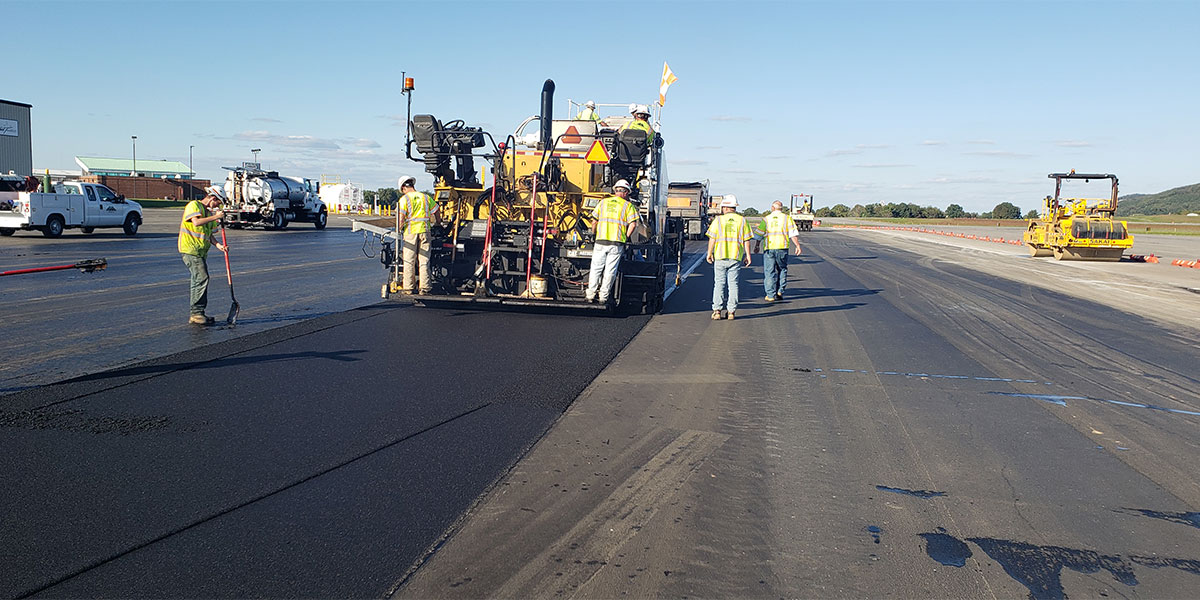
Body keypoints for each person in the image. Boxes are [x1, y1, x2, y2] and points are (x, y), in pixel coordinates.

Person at [586, 179, 640, 304]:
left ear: (615, 190)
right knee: (610, 271)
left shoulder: (603, 203)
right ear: (626, 192)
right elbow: (633, 224)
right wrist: (625, 236)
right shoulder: (628, 206)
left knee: (596, 268)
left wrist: (594, 234)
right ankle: (603, 297)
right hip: (616, 243)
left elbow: (594, 221)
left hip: (600, 241)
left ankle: (590, 295)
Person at [179, 186, 227, 325]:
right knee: (201, 277)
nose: (218, 206)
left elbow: (209, 234)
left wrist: (219, 246)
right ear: (212, 198)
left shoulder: (208, 213)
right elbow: (196, 222)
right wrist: (217, 216)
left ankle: (198, 313)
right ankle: (196, 313)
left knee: (198, 279)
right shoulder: (194, 205)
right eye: (218, 203)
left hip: (200, 251)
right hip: (190, 249)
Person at [706, 194, 753, 320]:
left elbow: (712, 238)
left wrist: (709, 253)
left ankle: (717, 311)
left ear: (725, 207)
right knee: (733, 284)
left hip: (720, 256)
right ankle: (731, 312)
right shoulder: (742, 221)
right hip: (735, 256)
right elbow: (746, 240)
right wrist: (748, 255)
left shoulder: (718, 220)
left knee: (719, 284)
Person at [396, 175, 439, 294]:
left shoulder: (404, 199)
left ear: (404, 188)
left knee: (409, 260)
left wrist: (398, 229)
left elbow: (401, 217)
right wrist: (438, 223)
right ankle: (425, 288)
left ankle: (409, 288)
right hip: (425, 231)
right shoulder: (425, 197)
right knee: (424, 260)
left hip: (410, 233)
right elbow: (436, 210)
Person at [756, 200, 802, 302]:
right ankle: (780, 290)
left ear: (772, 208)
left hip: (769, 249)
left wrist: (757, 246)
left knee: (769, 272)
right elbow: (792, 233)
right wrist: (797, 245)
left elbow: (759, 234)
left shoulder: (766, 219)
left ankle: (770, 295)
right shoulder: (787, 218)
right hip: (782, 248)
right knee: (782, 269)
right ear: (781, 209)